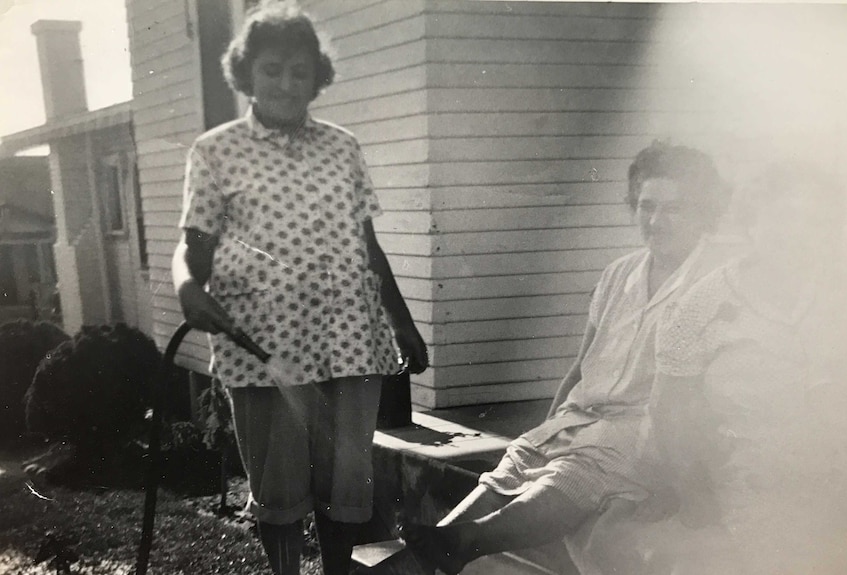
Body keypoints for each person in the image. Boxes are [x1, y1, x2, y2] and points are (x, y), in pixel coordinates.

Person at [170, 5, 427, 575]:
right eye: (272, 69)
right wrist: (188, 287)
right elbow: (193, 252)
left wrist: (402, 321)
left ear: (317, 76)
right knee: (281, 495)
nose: (287, 84)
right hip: (266, 351)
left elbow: (368, 244)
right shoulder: (215, 151)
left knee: (346, 491)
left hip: (351, 343)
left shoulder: (342, 146)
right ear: (247, 74)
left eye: (300, 71)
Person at [401, 141, 734, 575]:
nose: (655, 221)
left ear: (703, 210)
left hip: (644, 424)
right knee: (519, 463)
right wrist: (549, 423)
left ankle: (467, 541)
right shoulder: (620, 273)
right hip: (582, 417)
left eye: (674, 208)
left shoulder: (716, 279)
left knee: (577, 470)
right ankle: (440, 547)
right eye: (646, 206)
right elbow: (582, 365)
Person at [621, 162, 847, 574]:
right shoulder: (704, 303)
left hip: (840, 481)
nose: (799, 235)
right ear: (752, 221)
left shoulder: (844, 295)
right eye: (785, 218)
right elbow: (669, 415)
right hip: (747, 488)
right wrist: (697, 501)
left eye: (815, 222)